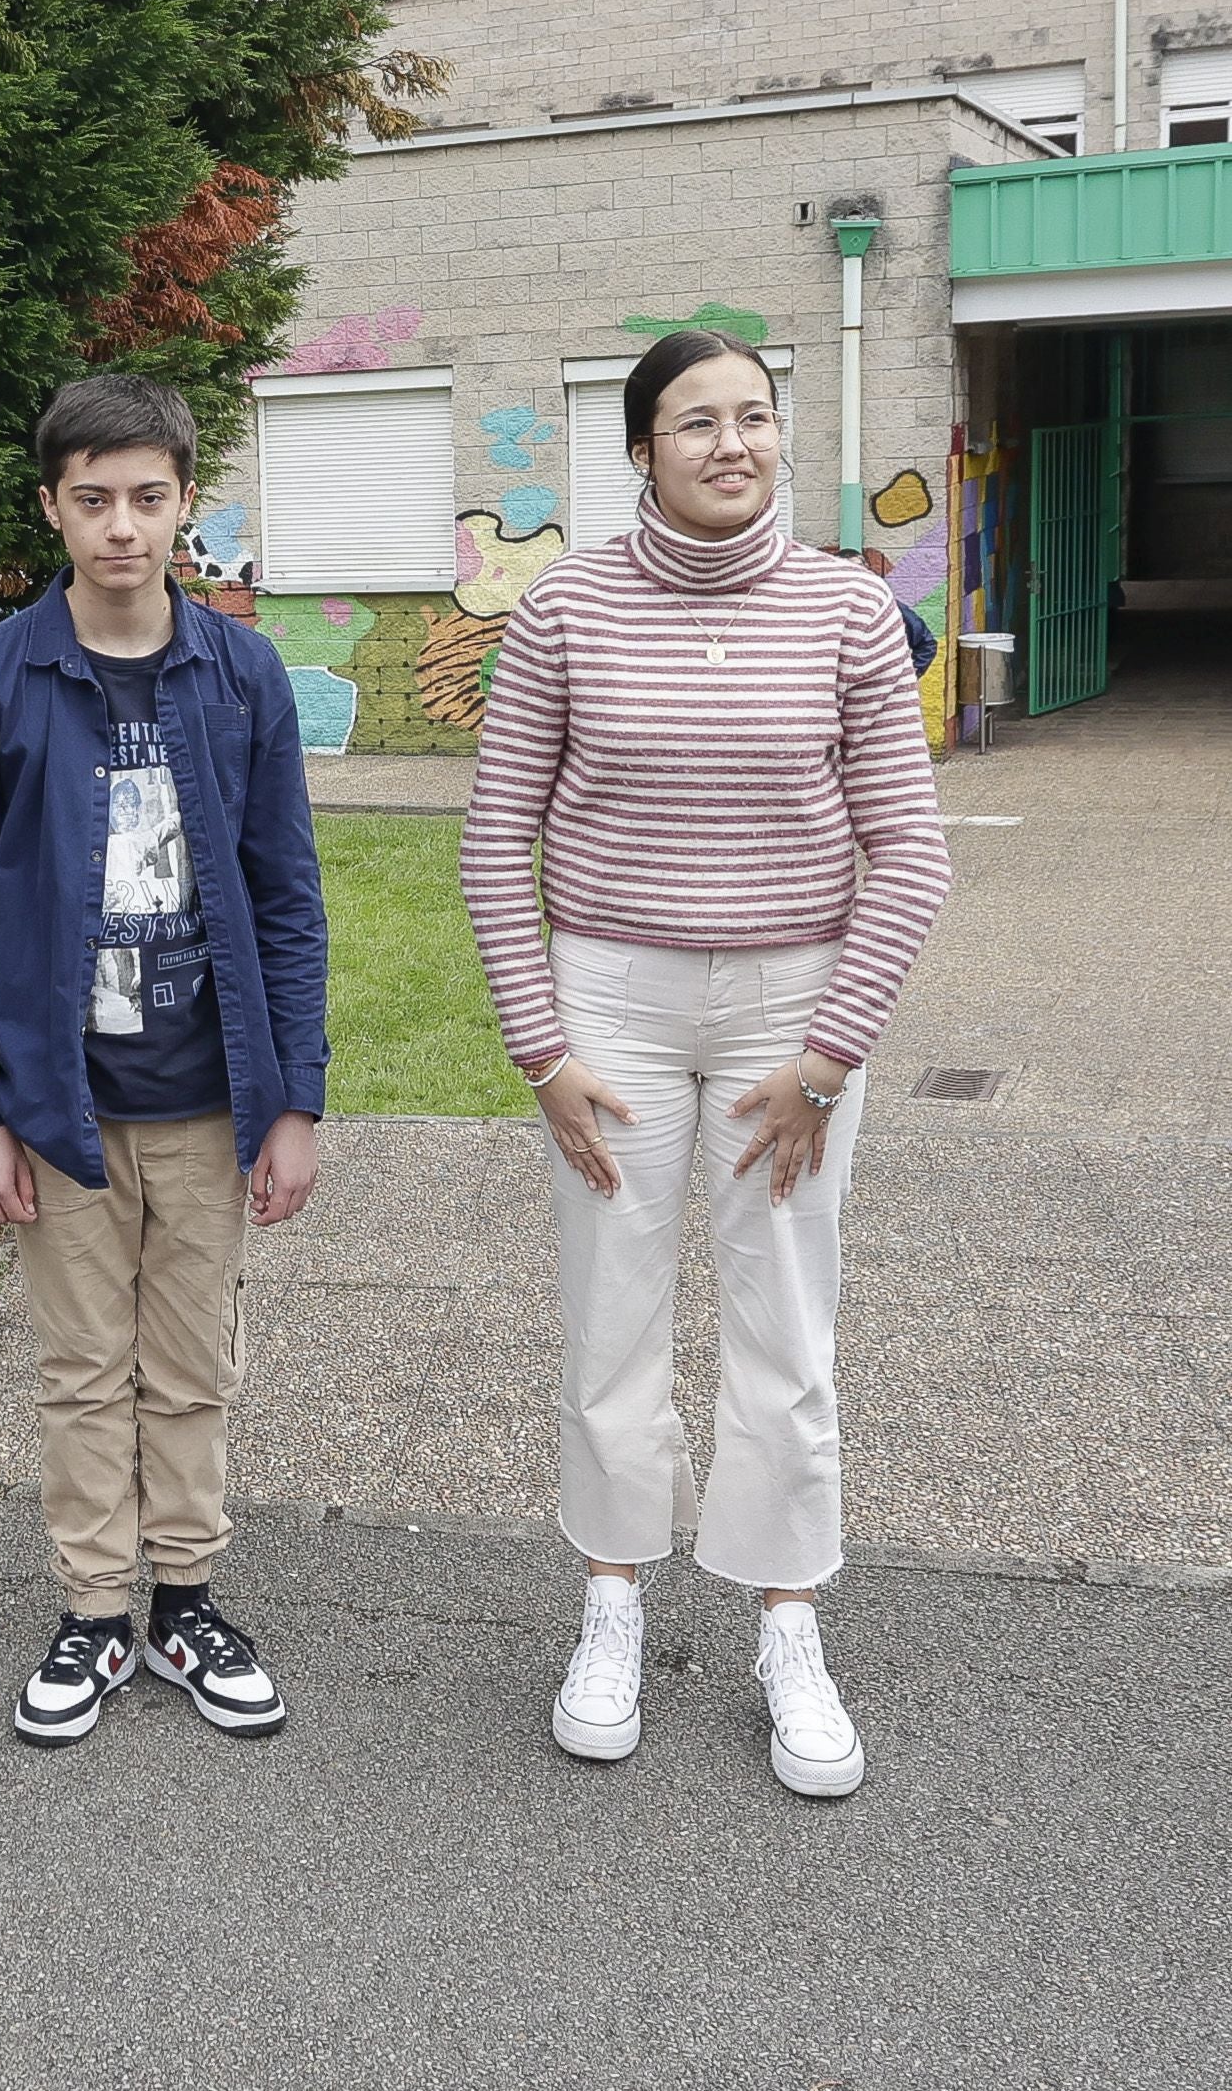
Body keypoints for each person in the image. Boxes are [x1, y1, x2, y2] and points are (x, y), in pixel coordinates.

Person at [457, 328, 952, 1800]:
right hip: (609, 999)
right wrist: (541, 1048)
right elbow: (497, 841)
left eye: (753, 416)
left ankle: (786, 1621)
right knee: (611, 1306)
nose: (732, 443)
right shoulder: (563, 614)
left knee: (785, 1317)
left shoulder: (849, 617)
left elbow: (909, 856)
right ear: (642, 452)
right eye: (696, 422)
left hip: (792, 1014)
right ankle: (612, 1601)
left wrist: (827, 1057)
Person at [0, 373, 330, 1751]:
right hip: (60, 1104)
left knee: (192, 1359)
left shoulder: (242, 674)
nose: (121, 527)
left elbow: (287, 899)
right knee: (87, 1365)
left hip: (214, 1097)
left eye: (148, 498)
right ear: (51, 507)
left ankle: (189, 1599)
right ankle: (97, 1610)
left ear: (185, 508)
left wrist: (298, 1100)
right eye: (91, 500)